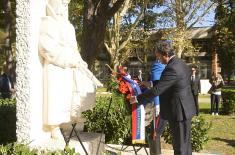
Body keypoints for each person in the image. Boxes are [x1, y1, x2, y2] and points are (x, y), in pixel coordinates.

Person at [38, 0, 102, 139]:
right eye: (61, 3)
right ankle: (54, 127)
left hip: (71, 67)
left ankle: (69, 124)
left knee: (72, 96)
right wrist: (68, 59)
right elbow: (46, 48)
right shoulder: (48, 22)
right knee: (56, 97)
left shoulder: (69, 26)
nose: (63, 7)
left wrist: (79, 61)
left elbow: (74, 49)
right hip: (56, 67)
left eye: (66, 4)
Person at [130, 40, 196, 155]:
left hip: (179, 112)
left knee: (180, 147)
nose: (159, 60)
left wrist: (137, 99)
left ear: (165, 54)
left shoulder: (172, 67)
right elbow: (167, 83)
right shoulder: (180, 63)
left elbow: (158, 90)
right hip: (185, 109)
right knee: (185, 145)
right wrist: (149, 83)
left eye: (159, 57)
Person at [147, 51, 167, 155]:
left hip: (169, 104)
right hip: (161, 104)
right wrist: (157, 103)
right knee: (155, 133)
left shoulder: (169, 63)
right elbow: (157, 86)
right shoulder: (159, 64)